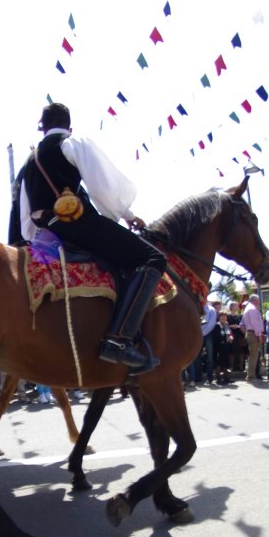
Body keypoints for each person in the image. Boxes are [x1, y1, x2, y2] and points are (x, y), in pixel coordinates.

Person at [12, 102, 166, 371]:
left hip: (44, 228)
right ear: (68, 126)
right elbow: (103, 186)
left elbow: (25, 211)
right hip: (75, 223)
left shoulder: (28, 161)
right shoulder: (71, 143)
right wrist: (126, 214)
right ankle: (118, 340)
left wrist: (35, 236)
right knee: (153, 257)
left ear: (42, 127)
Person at [241, 294, 265, 382]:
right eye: (258, 300)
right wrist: (259, 335)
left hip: (251, 333)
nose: (259, 302)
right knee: (253, 356)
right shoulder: (252, 309)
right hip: (253, 333)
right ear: (255, 300)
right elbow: (255, 323)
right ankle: (250, 376)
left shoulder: (249, 308)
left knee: (253, 356)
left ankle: (251, 375)